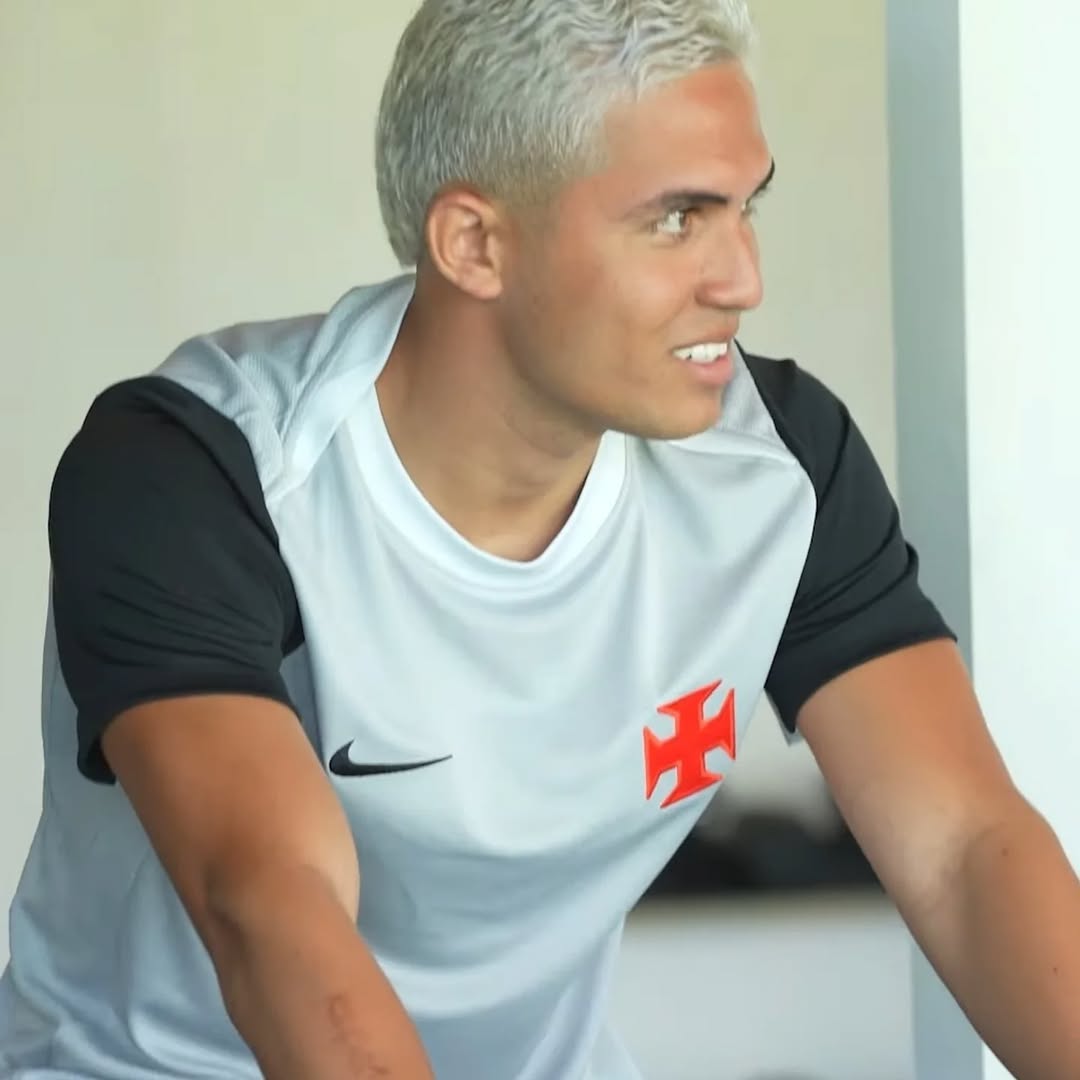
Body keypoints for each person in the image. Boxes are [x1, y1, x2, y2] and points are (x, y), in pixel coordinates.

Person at [2, 0, 1078, 1077]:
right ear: (474, 243)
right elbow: (268, 909)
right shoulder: (196, 472)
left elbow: (962, 850)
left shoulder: (781, 466)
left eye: (745, 208)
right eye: (678, 219)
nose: (743, 279)